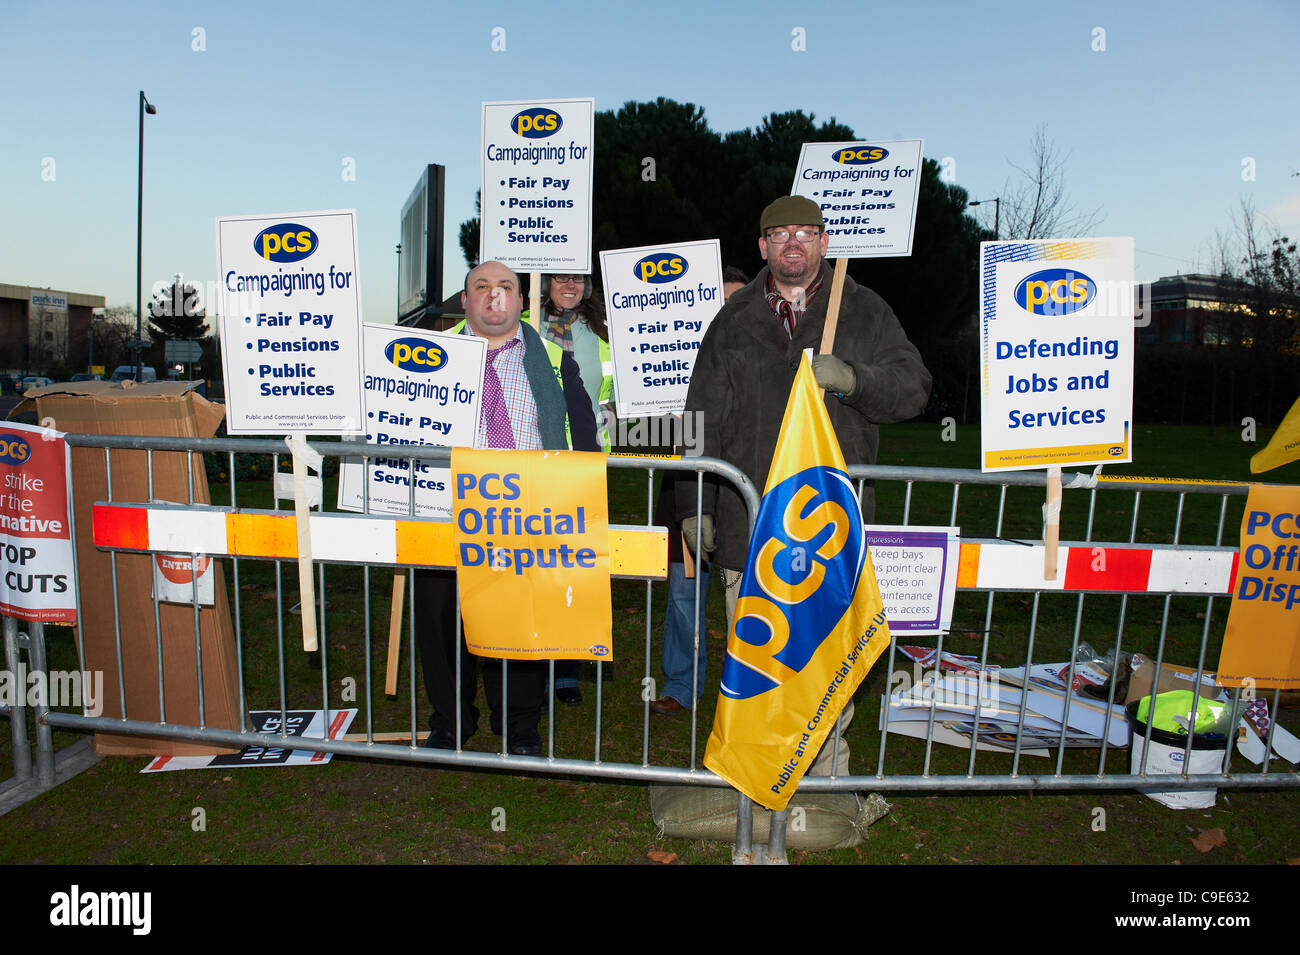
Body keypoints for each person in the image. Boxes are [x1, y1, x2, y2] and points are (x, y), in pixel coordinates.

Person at [676, 196, 932, 771]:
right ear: (763, 247)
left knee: (824, 657)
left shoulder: (865, 311)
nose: (793, 242)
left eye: (807, 232)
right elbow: (702, 417)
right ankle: (759, 777)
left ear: (824, 243)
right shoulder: (734, 317)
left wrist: (854, 379)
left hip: (829, 530)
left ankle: (823, 783)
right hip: (752, 525)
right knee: (757, 666)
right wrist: (695, 504)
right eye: (780, 233)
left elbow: (914, 388)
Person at [414, 260, 599, 756]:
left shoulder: (557, 363)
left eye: (505, 287)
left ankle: (520, 726)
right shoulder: (423, 360)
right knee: (440, 623)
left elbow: (583, 441)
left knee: (519, 623)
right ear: (466, 300)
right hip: (445, 512)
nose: (494, 296)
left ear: (521, 301)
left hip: (527, 516)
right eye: (481, 287)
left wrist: (574, 507)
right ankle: (450, 723)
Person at [650, 266, 749, 717]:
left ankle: (745, 689)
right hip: (686, 495)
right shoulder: (678, 352)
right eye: (721, 301)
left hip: (743, 497)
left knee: (745, 597)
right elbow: (640, 432)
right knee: (684, 595)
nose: (730, 310)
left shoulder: (760, 358)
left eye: (739, 301)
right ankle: (681, 684)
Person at [530, 274, 615, 704]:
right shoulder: (522, 321)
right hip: (534, 463)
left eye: (577, 277)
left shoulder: (603, 327)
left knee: (578, 570)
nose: (569, 284)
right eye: (560, 276)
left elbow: (623, 387)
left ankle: (567, 669)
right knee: (537, 569)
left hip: (585, 464)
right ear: (544, 281)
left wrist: (616, 413)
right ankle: (533, 661)